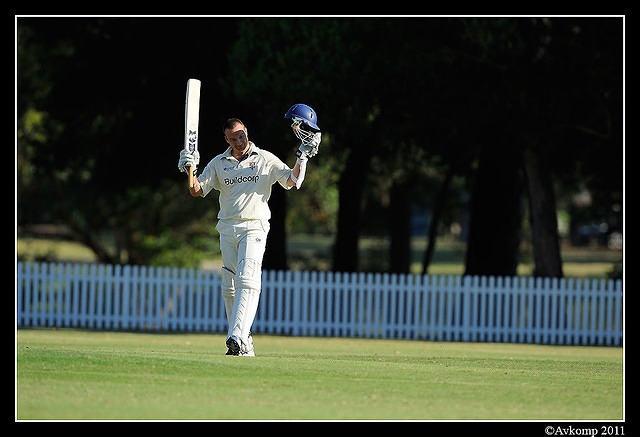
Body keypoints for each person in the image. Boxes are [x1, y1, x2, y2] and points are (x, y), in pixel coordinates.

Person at [177, 104, 321, 356]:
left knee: (248, 277)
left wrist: (302, 156)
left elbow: (291, 180)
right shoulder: (218, 163)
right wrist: (190, 168)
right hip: (227, 227)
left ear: (246, 131)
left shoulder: (264, 158)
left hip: (255, 226)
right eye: (233, 138)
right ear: (226, 139)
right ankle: (245, 343)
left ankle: (237, 336)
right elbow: (196, 190)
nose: (239, 141)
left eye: (241, 135)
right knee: (230, 284)